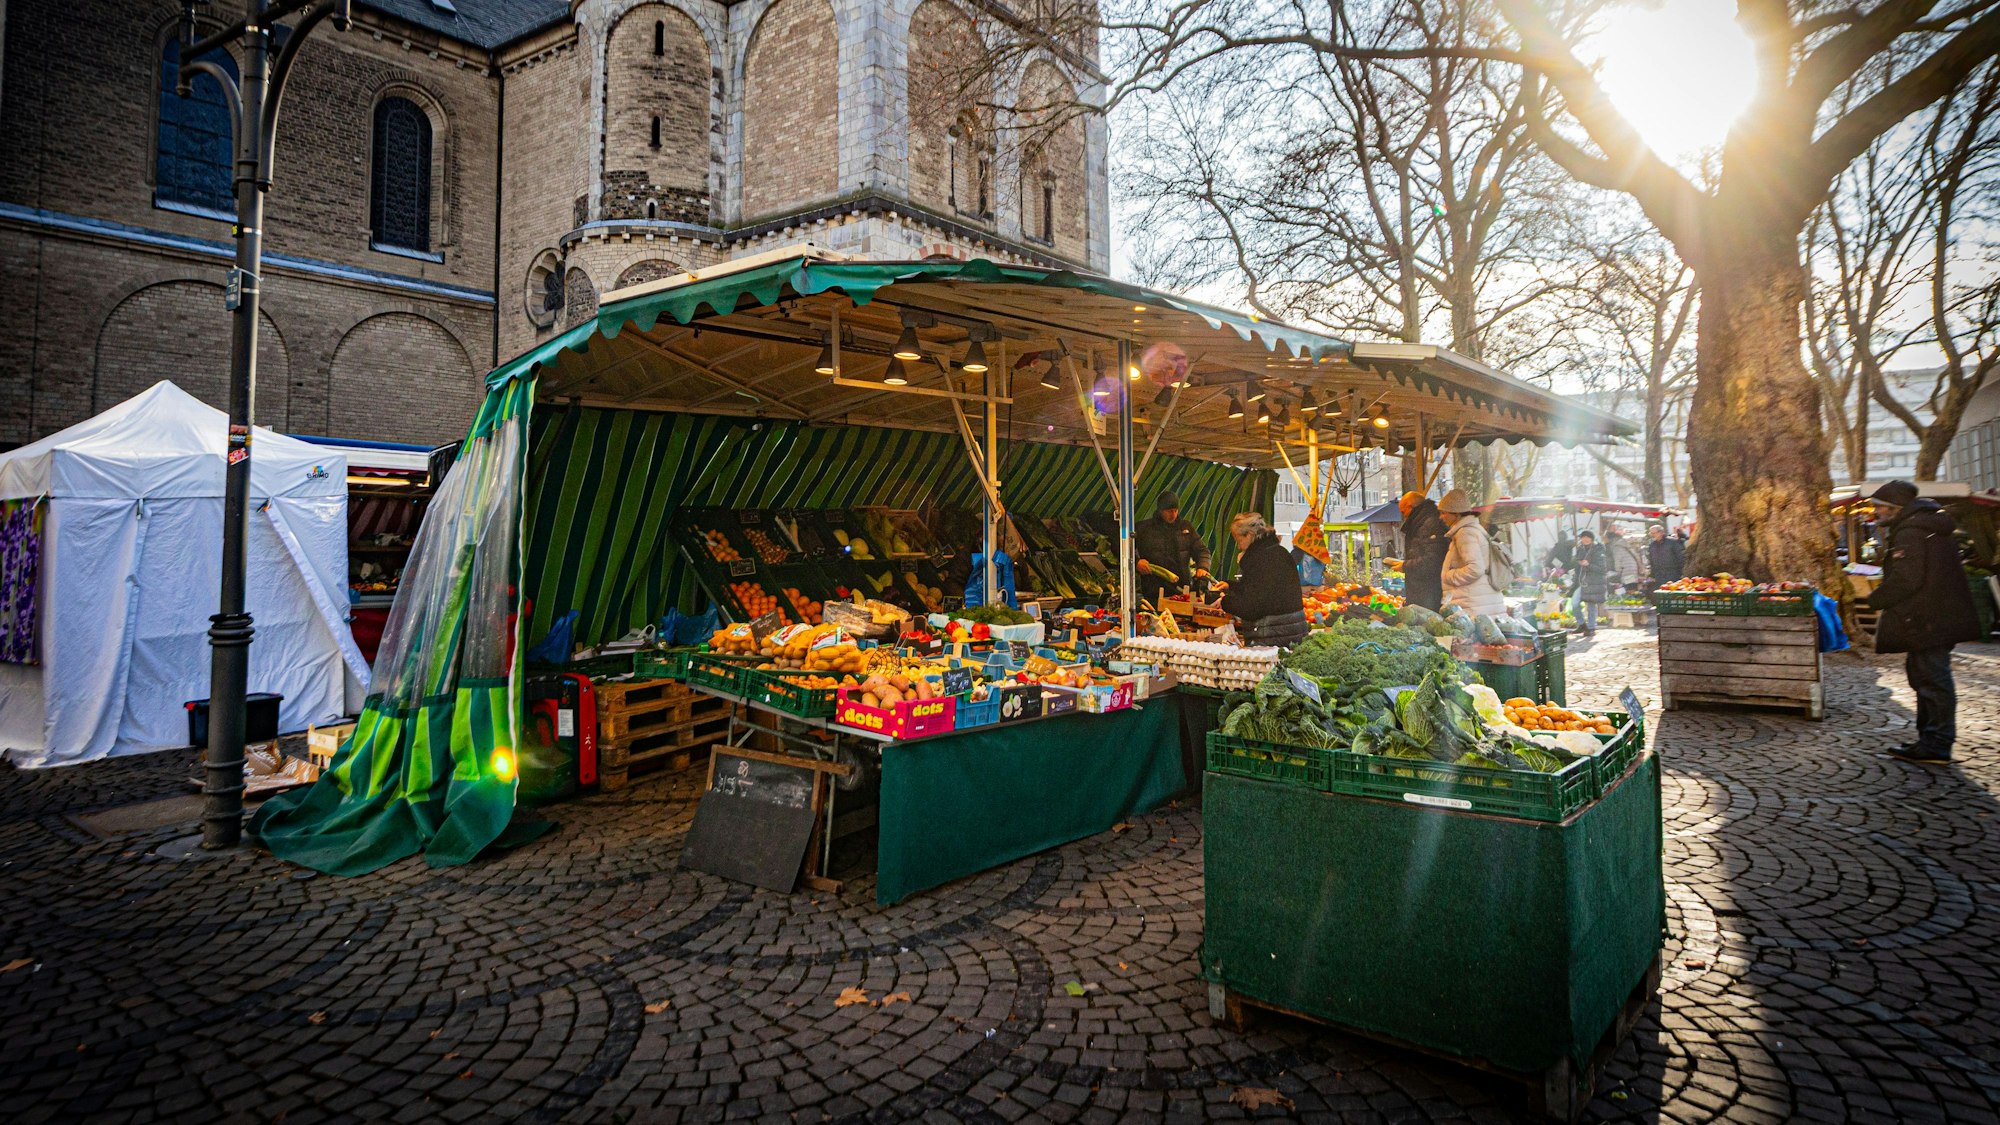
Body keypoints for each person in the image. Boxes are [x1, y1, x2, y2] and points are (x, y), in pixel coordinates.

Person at [1866, 480, 1981, 764]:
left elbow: (1907, 578)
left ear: (1895, 507)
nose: (1876, 512)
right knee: (1926, 677)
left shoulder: (1912, 531)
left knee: (1931, 679)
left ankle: (1937, 743)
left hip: (1927, 617)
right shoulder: (1928, 525)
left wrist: (1875, 599)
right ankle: (1930, 739)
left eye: (1880, 507)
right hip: (1936, 614)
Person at [1219, 512, 1310, 648]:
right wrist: (1231, 586)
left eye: (1238, 540)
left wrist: (1225, 602)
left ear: (1249, 535)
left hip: (1272, 636)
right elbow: (1265, 591)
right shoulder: (1279, 552)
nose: (1238, 546)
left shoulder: (1259, 559)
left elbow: (1252, 607)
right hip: (1293, 630)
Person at [1134, 491, 1212, 605]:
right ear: (1160, 510)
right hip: (1153, 592)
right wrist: (1137, 562)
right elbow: (1125, 550)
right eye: (1169, 511)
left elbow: (1202, 551)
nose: (1173, 514)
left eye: (1176, 510)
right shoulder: (1144, 529)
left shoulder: (1186, 528)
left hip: (1182, 590)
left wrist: (1203, 567)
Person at [1438, 489, 1506, 616]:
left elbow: (1475, 568)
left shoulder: (1465, 533)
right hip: (1480, 601)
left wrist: (1448, 575)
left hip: (1474, 604)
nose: (1441, 517)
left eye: (1443, 513)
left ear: (1456, 514)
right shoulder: (1473, 530)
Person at [1398, 490, 1449, 611]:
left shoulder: (1430, 524)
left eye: (1403, 511)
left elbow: (1433, 560)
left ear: (1411, 506)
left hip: (1428, 593)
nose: (1403, 515)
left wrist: (1405, 566)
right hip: (1423, 591)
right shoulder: (1421, 522)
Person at [1571, 530, 1610, 635]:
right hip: (1581, 582)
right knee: (1574, 603)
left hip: (1594, 582)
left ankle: (1591, 628)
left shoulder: (1598, 550)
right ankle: (1582, 624)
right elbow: (1576, 566)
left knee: (1591, 605)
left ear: (1592, 539)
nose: (1585, 539)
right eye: (1583, 537)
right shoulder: (1580, 549)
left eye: (1588, 537)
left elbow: (1602, 568)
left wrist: (1588, 564)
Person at [1605, 525, 1646, 596]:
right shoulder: (1623, 544)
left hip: (1627, 569)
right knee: (1632, 587)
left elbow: (1618, 560)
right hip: (1632, 568)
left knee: (1629, 589)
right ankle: (1633, 599)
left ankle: (1631, 602)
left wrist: (1618, 572)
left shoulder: (1616, 547)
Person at [1645, 523, 1685, 592]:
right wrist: (1652, 574)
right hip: (1659, 575)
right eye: (1651, 534)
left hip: (1673, 574)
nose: (1652, 535)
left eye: (1654, 533)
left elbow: (1681, 557)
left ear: (1661, 532)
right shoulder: (1652, 545)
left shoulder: (1673, 542)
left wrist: (1682, 572)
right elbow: (1651, 560)